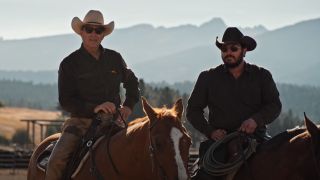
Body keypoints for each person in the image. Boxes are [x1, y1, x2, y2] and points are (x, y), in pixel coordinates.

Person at [45, 10, 140, 180]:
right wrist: (95, 107)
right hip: (79, 124)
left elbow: (132, 83)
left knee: (141, 158)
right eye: (89, 29)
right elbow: (65, 100)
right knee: (55, 162)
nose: (94, 34)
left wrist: (128, 106)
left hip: (113, 122)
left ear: (103, 35)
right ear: (81, 32)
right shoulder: (69, 63)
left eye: (99, 30)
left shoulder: (115, 58)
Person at [186, 27, 282, 179]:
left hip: (256, 138)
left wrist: (255, 120)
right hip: (220, 143)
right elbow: (193, 110)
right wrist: (210, 131)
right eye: (224, 49)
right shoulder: (208, 78)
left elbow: (274, 105)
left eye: (234, 48)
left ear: (244, 51)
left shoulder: (261, 76)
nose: (228, 52)